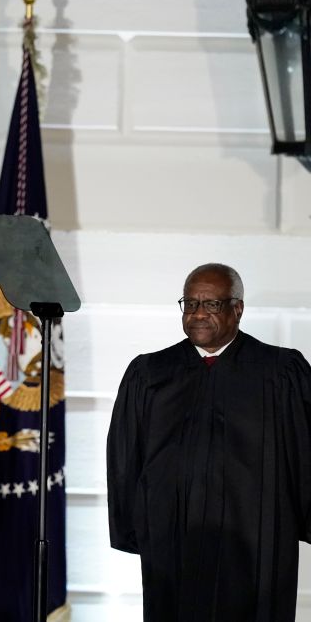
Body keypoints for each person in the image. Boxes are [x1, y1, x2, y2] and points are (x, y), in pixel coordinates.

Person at [107, 263, 311, 621]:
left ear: (237, 309)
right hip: (173, 537)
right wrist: (134, 528)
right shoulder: (150, 373)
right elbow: (125, 456)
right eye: (190, 304)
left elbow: (306, 453)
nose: (198, 314)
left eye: (211, 304)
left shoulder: (280, 371)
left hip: (255, 539)